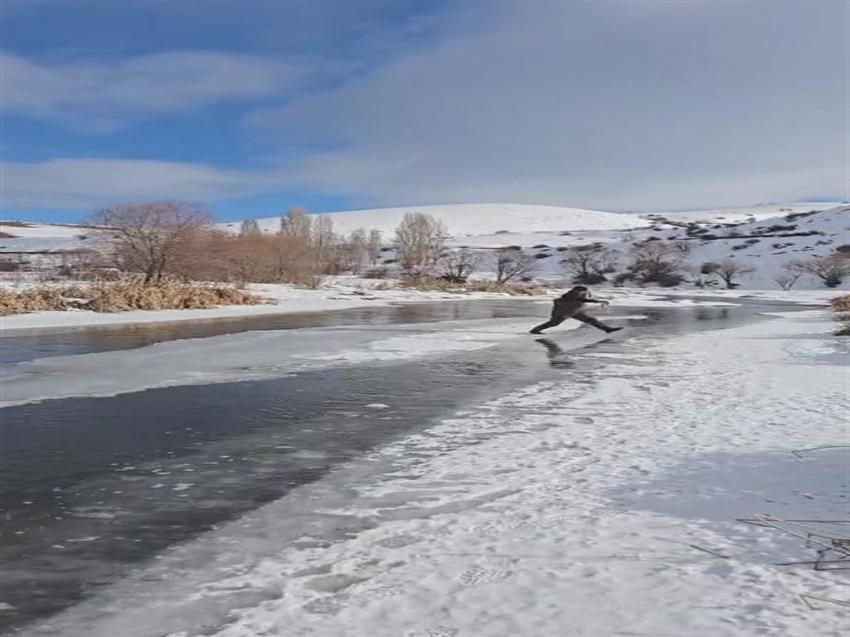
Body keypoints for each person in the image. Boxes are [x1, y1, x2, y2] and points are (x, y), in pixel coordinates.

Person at [530, 285, 622, 334]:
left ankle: (607, 329)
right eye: (583, 291)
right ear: (578, 290)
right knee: (554, 323)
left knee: (591, 320)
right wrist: (596, 301)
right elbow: (580, 300)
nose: (585, 293)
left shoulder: (580, 294)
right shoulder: (570, 295)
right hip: (563, 312)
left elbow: (584, 298)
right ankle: (535, 330)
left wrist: (601, 300)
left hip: (574, 312)